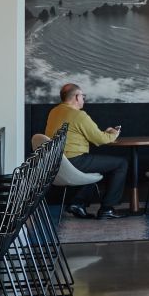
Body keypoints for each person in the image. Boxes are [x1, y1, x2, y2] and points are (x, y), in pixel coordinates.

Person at [45, 83, 127, 218]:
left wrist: (102, 134)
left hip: (54, 162)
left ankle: (78, 204)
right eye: (83, 96)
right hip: (73, 161)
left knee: (97, 165)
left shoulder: (54, 112)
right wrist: (113, 133)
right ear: (76, 97)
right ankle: (107, 209)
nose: (84, 99)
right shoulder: (79, 115)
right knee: (121, 163)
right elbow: (100, 139)